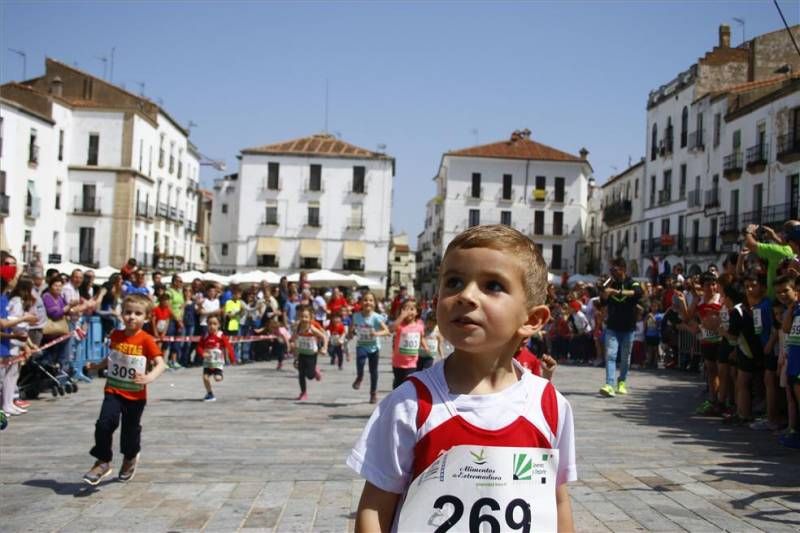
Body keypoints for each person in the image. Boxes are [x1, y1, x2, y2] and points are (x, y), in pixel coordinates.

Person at [347, 224, 576, 532]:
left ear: (532, 320)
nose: (466, 295)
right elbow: (374, 508)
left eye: (492, 285)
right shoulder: (409, 406)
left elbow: (557, 500)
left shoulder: (550, 406)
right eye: (454, 281)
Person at [82, 294, 166, 485]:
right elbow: (113, 359)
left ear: (146, 317)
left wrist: (149, 377)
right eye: (128, 312)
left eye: (138, 313)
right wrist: (96, 366)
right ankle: (102, 461)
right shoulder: (116, 336)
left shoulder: (146, 340)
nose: (132, 317)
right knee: (104, 424)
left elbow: (161, 364)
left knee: (130, 430)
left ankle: (130, 457)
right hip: (113, 390)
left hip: (135, 395)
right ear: (122, 314)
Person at [599, 257, 643, 397]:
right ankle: (609, 384)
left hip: (628, 328)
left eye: (614, 269)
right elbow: (602, 302)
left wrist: (617, 292)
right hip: (612, 326)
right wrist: (604, 292)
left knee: (625, 358)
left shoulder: (632, 282)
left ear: (622, 269)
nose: (612, 272)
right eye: (611, 269)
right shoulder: (610, 283)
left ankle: (622, 381)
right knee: (611, 355)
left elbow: (638, 293)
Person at [349, 291, 390, 404]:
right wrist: (350, 333)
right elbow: (352, 328)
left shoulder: (376, 317)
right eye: (365, 300)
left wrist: (376, 334)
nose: (368, 302)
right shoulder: (356, 316)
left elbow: (386, 331)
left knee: (373, 371)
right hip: (361, 344)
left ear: (375, 303)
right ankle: (360, 376)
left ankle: (373, 393)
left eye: (371, 300)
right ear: (361, 302)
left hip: (374, 347)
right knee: (360, 362)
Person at [744, 221, 798, 300]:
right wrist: (774, 237)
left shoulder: (777, 251)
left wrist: (748, 232)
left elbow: (750, 244)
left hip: (774, 300)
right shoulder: (791, 250)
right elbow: (786, 244)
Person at [776, 275, 800, 448]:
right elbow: (785, 328)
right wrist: (791, 308)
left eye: (786, 290)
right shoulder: (794, 309)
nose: (783, 295)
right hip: (793, 362)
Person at [290, 305, 327, 401]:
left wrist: (324, 347)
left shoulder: (312, 328)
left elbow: (324, 336)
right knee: (301, 373)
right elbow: (293, 338)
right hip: (301, 353)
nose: (304, 319)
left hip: (311, 354)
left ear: (310, 318)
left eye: (306, 317)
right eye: (302, 316)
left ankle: (315, 371)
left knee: (310, 376)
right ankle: (303, 393)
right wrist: (292, 344)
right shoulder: (298, 327)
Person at [196, 316, 235, 402]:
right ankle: (210, 393)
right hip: (208, 362)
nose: (212, 326)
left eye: (214, 324)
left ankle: (220, 374)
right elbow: (199, 347)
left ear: (218, 325)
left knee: (217, 378)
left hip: (217, 362)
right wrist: (203, 353)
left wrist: (232, 359)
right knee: (205, 377)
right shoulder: (205, 336)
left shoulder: (220, 336)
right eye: (210, 324)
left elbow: (228, 347)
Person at [391, 299, 427, 389]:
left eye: (411, 309)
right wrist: (401, 317)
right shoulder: (400, 325)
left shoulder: (419, 326)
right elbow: (391, 329)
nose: (408, 312)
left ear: (417, 312)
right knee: (397, 385)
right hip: (398, 362)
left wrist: (426, 347)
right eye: (405, 309)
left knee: (408, 385)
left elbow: (421, 338)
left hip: (412, 363)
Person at [224, 287, 245, 364]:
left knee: (237, 343)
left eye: (240, 295)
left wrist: (242, 311)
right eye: (237, 294)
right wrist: (238, 312)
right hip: (229, 325)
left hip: (237, 324)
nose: (238, 296)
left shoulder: (239, 303)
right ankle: (228, 360)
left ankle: (236, 359)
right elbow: (229, 315)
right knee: (229, 343)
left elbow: (241, 315)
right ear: (233, 295)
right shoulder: (229, 302)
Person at [151, 294, 173, 366]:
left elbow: (167, 322)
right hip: (155, 331)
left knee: (162, 347)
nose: (167, 303)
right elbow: (153, 321)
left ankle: (160, 362)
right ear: (161, 301)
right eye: (166, 301)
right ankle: (153, 361)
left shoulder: (168, 310)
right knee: (156, 346)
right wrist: (155, 331)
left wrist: (164, 332)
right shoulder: (156, 309)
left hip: (163, 331)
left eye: (168, 301)